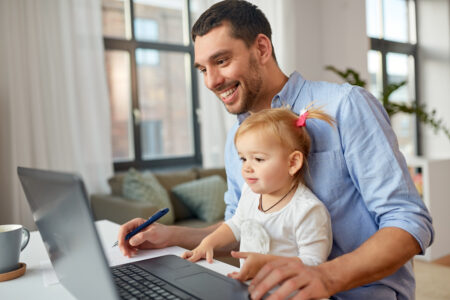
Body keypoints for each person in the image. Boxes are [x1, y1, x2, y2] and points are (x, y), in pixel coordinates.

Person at [117, 1, 434, 299]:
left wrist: (325, 277)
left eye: (222, 60)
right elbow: (240, 224)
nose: (212, 81)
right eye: (202, 69)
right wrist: (170, 235)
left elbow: (409, 221)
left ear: (262, 48)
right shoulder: (237, 140)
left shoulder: (345, 107)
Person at [181, 107, 334, 281]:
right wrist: (209, 242)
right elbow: (236, 225)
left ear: (293, 162)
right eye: (243, 158)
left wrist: (267, 263)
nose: (246, 167)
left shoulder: (307, 210)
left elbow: (314, 262)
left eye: (258, 159)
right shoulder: (250, 193)